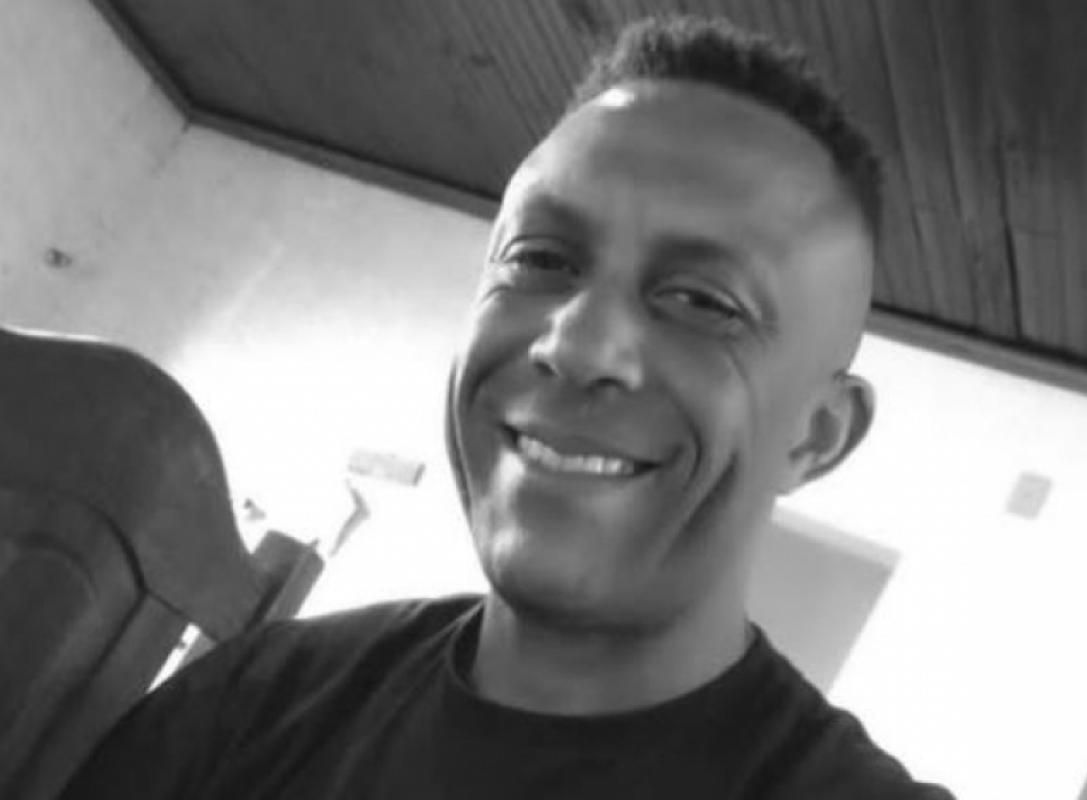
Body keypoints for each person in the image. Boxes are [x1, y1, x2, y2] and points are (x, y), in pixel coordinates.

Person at [62, 16, 955, 799]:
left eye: (702, 302)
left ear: (817, 436)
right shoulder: (253, 702)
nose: (576, 344)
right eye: (542, 259)